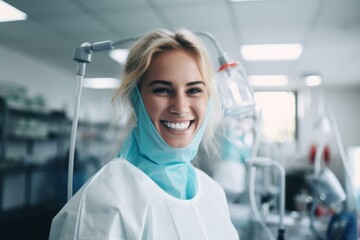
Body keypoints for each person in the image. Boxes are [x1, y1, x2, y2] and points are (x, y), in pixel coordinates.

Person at [49, 28, 239, 240]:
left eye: (194, 90)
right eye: (163, 90)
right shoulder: (103, 202)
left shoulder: (213, 192)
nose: (181, 107)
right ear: (135, 99)